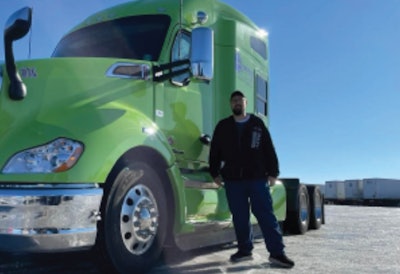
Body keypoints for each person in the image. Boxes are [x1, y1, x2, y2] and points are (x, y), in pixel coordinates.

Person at [209, 90, 294, 268]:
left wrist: (273, 172)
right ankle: (244, 250)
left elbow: (268, 148)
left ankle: (277, 253)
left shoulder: (257, 123)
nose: (237, 103)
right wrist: (214, 172)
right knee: (239, 217)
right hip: (233, 180)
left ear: (246, 103)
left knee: (265, 215)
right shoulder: (223, 126)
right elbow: (215, 151)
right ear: (230, 104)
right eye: (234, 101)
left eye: (240, 100)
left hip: (257, 178)